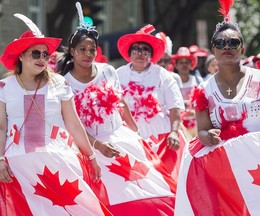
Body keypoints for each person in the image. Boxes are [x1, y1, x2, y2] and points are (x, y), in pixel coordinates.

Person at [58, 3, 176, 215]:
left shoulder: (108, 71)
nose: (88, 54)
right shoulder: (64, 83)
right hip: (89, 146)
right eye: (82, 49)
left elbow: (122, 107)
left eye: (92, 49)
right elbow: (72, 124)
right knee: (102, 201)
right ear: (73, 51)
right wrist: (98, 146)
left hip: (121, 139)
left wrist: (137, 135)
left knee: (151, 192)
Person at [175, 1, 260, 215]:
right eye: (220, 42)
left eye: (233, 42)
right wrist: (208, 136)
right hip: (226, 171)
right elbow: (201, 131)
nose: (227, 46)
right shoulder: (203, 90)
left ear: (242, 49)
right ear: (213, 50)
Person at [0, 13, 111, 216]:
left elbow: (74, 124)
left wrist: (92, 156)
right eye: (36, 53)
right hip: (19, 164)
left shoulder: (59, 83)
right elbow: (1, 128)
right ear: (21, 56)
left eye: (45, 54)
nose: (42, 58)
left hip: (59, 160)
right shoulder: (5, 87)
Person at [116, 24, 186, 182]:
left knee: (166, 182)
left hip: (161, 139)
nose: (140, 53)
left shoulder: (164, 76)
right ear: (129, 53)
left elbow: (175, 108)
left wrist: (174, 132)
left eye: (145, 49)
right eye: (136, 49)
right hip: (129, 138)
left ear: (152, 54)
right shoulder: (118, 75)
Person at [171, 47, 199, 137]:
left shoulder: (197, 80)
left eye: (187, 62)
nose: (184, 65)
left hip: (196, 123)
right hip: (179, 124)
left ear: (191, 64)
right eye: (181, 63)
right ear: (176, 65)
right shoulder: (172, 81)